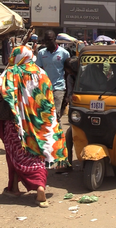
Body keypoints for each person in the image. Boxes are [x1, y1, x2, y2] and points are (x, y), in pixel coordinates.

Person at [0, 46, 67, 207]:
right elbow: (48, 99)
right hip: (40, 125)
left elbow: (4, 93)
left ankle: (24, 187)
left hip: (16, 124)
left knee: (15, 154)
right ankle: (38, 186)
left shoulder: (11, 73)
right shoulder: (42, 73)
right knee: (36, 155)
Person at [35, 30, 70, 122]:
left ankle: (57, 134)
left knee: (55, 114)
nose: (47, 42)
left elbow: (68, 73)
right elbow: (38, 71)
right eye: (45, 40)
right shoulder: (41, 53)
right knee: (45, 114)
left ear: (55, 39)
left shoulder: (64, 53)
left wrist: (67, 93)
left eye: (49, 40)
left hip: (59, 87)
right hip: (44, 88)